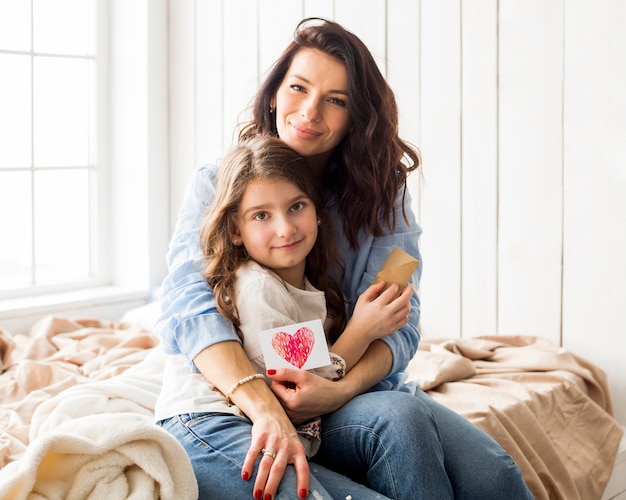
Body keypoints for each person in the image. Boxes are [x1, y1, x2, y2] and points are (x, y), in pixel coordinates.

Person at [155, 17, 533, 500]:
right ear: (274, 94)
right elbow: (188, 307)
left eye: (337, 100)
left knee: (494, 477)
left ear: (356, 116)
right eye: (298, 88)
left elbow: (398, 317)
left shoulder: (385, 196)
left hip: (339, 388)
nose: (309, 111)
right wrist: (268, 408)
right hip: (246, 392)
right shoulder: (220, 184)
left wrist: (340, 389)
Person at [155, 135, 413, 463]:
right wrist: (361, 331)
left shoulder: (304, 281)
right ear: (236, 231)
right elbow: (300, 392)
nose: (285, 229)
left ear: (318, 211)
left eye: (296, 207)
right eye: (262, 215)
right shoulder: (259, 289)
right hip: (235, 428)